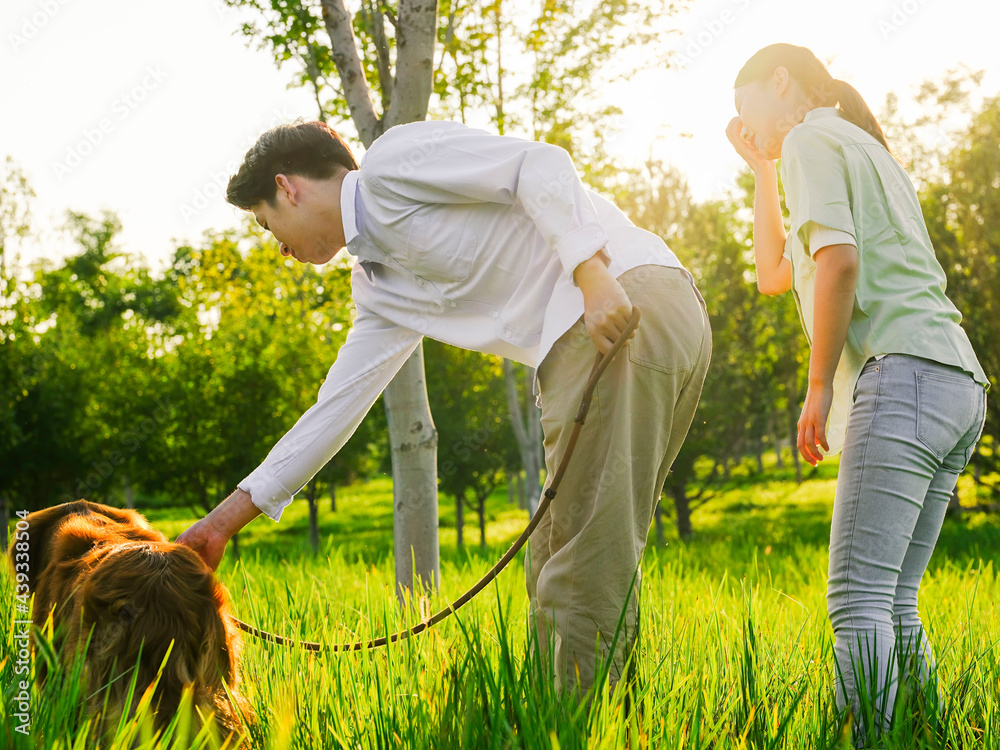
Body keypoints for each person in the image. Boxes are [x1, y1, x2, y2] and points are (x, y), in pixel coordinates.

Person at [176, 119, 712, 697]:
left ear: (288, 188)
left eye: (266, 223)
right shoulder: (379, 288)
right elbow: (335, 408)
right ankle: (573, 720)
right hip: (621, 325)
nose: (278, 247)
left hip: (617, 305)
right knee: (561, 550)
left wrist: (591, 272)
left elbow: (540, 164)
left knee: (580, 566)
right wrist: (223, 522)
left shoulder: (392, 164)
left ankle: (574, 727)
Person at [726, 43, 989, 743]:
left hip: (903, 378)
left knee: (856, 603)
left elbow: (837, 263)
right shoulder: (862, 147)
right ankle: (925, 732)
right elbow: (775, 276)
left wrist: (818, 387)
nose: (743, 122)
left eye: (743, 104)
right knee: (895, 600)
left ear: (780, 82)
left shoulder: (813, 135)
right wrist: (763, 170)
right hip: (956, 383)